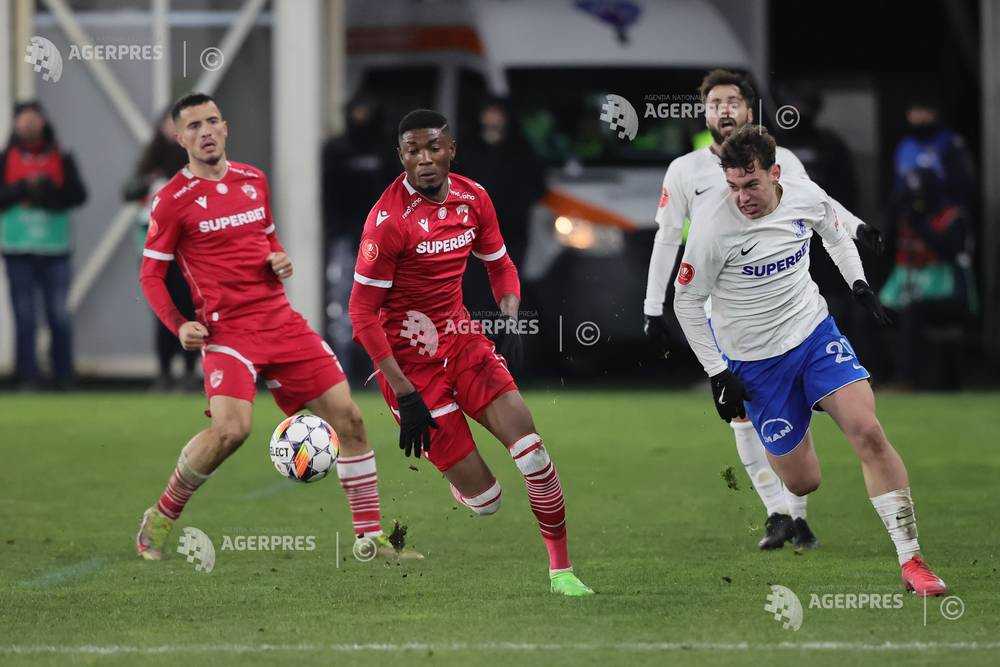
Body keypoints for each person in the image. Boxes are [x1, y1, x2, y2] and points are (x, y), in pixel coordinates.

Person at [135, 93, 419, 561]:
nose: (205, 132)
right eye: (193, 126)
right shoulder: (171, 201)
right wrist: (178, 324)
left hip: (281, 322)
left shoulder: (253, 180)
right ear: (180, 137)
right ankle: (162, 515)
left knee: (349, 419)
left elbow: (266, 237)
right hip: (227, 332)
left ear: (225, 127)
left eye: (211, 122)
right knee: (232, 431)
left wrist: (278, 257)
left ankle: (370, 539)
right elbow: (150, 274)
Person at [673, 125, 947, 596]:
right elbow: (685, 301)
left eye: (751, 185)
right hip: (755, 363)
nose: (742, 197)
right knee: (802, 483)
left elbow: (834, 232)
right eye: (733, 187)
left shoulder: (802, 192)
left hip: (813, 334)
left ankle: (912, 560)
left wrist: (858, 284)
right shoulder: (712, 226)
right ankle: (804, 409)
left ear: (775, 173)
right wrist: (718, 374)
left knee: (869, 432)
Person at [348, 109, 593, 596]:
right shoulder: (388, 223)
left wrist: (509, 309)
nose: (424, 160)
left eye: (433, 148)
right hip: (411, 368)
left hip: (463, 341)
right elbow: (360, 316)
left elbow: (499, 262)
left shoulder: (473, 197)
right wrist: (405, 393)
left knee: (532, 452)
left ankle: (562, 572)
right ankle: (463, 475)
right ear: (401, 158)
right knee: (488, 502)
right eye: (413, 152)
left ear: (451, 149)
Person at [642, 69, 884, 551]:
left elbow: (820, 205)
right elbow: (668, 236)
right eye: (714, 103)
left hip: (785, 297)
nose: (723, 110)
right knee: (742, 416)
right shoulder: (684, 171)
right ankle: (777, 512)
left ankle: (797, 516)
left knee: (793, 404)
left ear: (749, 110)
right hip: (719, 307)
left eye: (732, 101)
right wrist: (653, 305)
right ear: (704, 112)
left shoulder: (782, 159)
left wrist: (856, 229)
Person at [0, 101, 87, 389]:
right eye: (23, 120)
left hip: (55, 248)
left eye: (33, 120)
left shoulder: (62, 156)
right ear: (15, 125)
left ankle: (63, 375)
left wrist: (49, 192)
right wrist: (22, 188)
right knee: (25, 316)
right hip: (18, 248)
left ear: (44, 122)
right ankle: (28, 376)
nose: (29, 125)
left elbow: (78, 195)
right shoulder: (5, 158)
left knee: (59, 315)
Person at [321, 94, 397, 385]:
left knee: (380, 306)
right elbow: (329, 197)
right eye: (357, 110)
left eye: (366, 109)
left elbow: (394, 196)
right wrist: (336, 233)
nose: (361, 117)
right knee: (341, 305)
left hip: (380, 242)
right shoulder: (337, 150)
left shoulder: (385, 150)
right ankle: (342, 369)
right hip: (345, 240)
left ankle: (379, 369)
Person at [123, 109, 198, 391]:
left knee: (189, 306)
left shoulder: (193, 165)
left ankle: (190, 370)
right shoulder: (151, 162)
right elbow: (128, 191)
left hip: (187, 246)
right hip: (154, 244)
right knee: (163, 308)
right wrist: (144, 184)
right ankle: (165, 371)